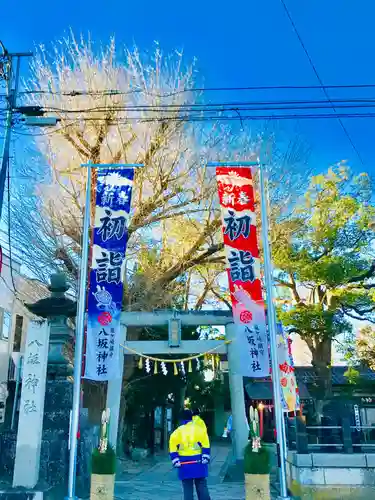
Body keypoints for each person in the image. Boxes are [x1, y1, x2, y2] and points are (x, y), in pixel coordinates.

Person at [169, 409, 212, 500]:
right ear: (191, 418)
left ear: (181, 419)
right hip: (199, 461)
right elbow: (206, 444)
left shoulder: (176, 432)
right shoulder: (199, 430)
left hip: (184, 463)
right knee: (201, 485)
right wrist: (205, 456)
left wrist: (175, 460)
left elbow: (173, 447)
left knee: (187, 488)